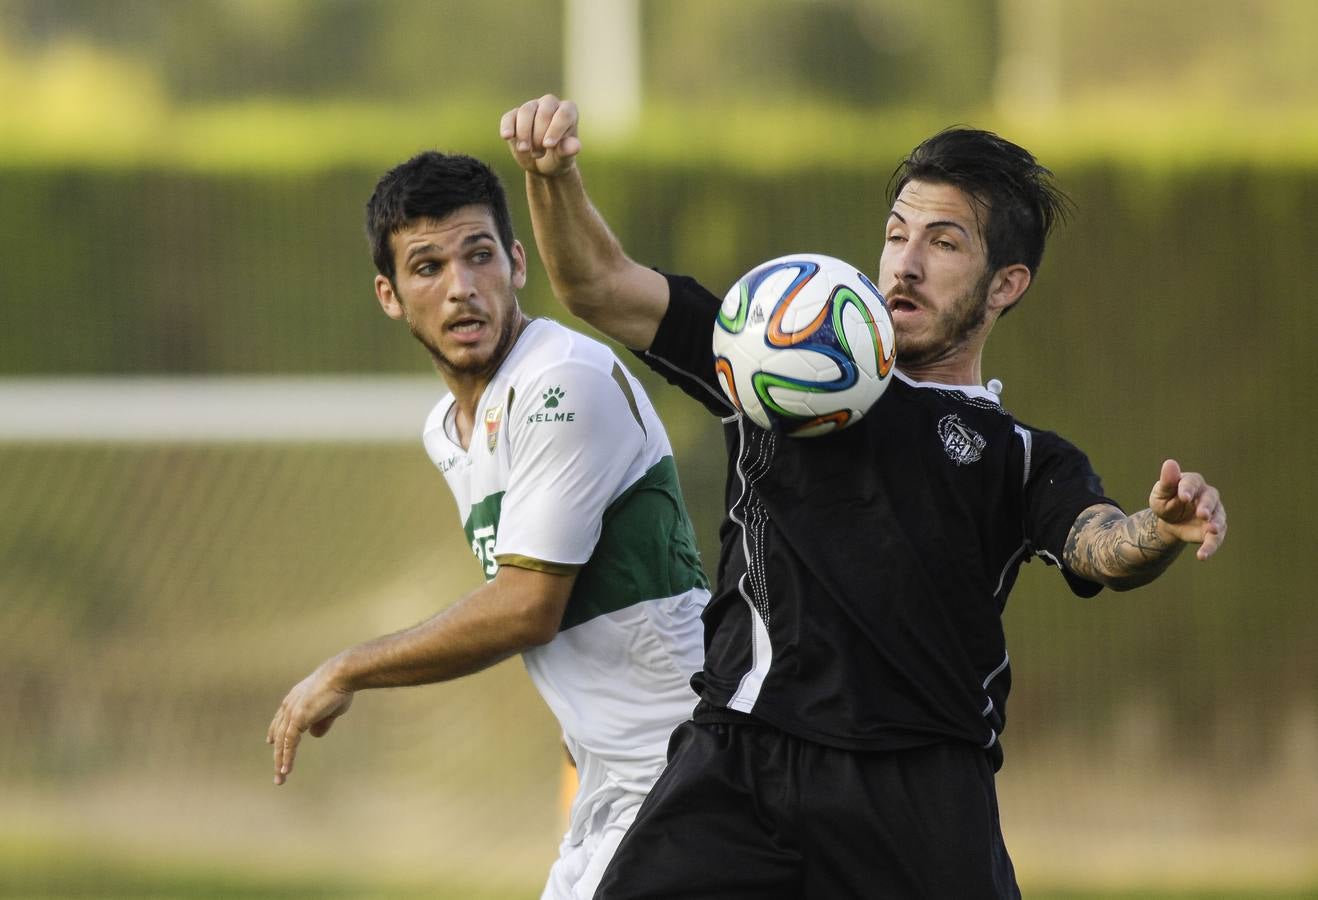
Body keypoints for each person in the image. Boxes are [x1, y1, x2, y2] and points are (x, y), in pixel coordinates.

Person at [500, 95, 1228, 899]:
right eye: (895, 236)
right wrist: (552, 176)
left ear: (1006, 285)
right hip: (744, 760)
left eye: (944, 243)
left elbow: (1100, 544)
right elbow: (597, 285)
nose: (905, 264)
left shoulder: (1019, 456)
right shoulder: (771, 368)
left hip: (919, 790)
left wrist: (1158, 529)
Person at [265, 151, 710, 900]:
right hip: (615, 786)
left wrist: (348, 669)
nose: (461, 288)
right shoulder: (448, 430)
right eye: (427, 267)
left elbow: (527, 608)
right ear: (390, 295)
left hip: (688, 774)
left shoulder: (561, 383)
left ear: (516, 262)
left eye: (478, 256)